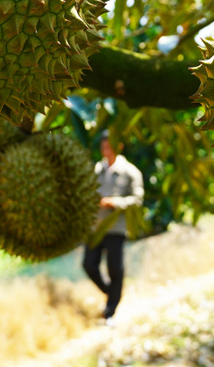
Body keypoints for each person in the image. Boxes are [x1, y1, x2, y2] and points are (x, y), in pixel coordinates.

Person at [82, 130, 144, 321]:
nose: (106, 149)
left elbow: (137, 199)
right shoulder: (95, 171)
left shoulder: (131, 172)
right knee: (89, 265)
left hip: (116, 228)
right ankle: (112, 293)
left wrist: (115, 202)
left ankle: (110, 310)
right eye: (103, 146)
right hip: (95, 228)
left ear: (119, 146)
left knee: (115, 269)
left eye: (109, 145)